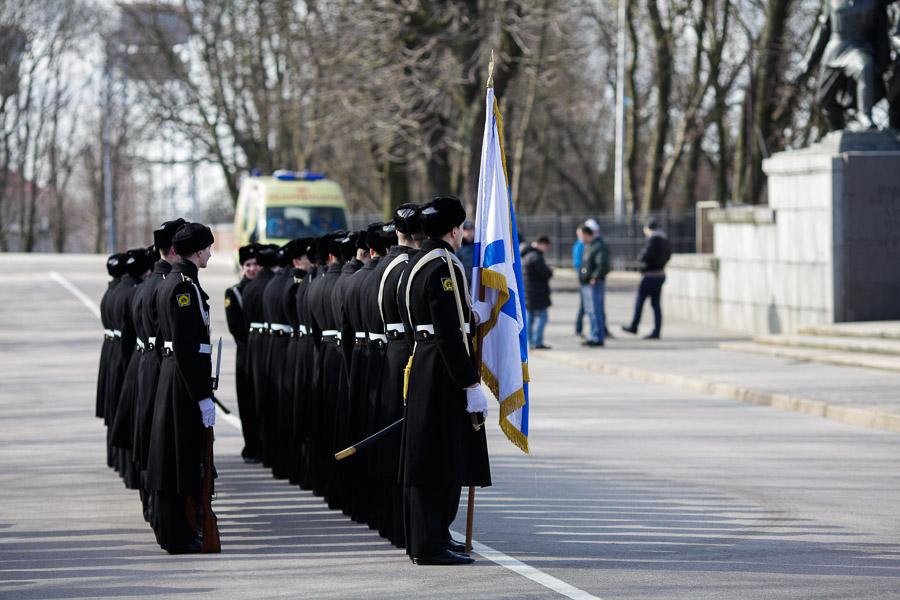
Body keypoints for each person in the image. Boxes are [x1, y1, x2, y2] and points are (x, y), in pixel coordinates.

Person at [400, 196, 491, 566]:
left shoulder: (416, 262)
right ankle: (429, 543)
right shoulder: (443, 265)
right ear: (454, 231)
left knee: (433, 454)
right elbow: (449, 332)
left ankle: (435, 535)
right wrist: (470, 383)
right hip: (441, 368)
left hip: (423, 361)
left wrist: (469, 314)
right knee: (438, 457)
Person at [146, 222, 217, 554]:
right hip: (183, 381)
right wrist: (202, 396)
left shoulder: (173, 281)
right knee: (179, 456)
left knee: (177, 454)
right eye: (208, 249)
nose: (211, 254)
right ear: (199, 250)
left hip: (175, 376)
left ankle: (177, 530)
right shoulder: (182, 286)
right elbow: (188, 348)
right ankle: (176, 533)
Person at [376, 203, 423, 549]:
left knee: (394, 445)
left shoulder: (387, 265)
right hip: (406, 353)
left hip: (389, 353)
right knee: (407, 446)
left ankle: (396, 523)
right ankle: (406, 526)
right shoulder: (408, 267)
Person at [224, 244, 259, 463]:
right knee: (247, 401)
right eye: (248, 265)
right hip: (246, 354)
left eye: (255, 264)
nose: (252, 269)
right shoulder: (234, 292)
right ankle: (251, 445)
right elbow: (235, 327)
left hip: (264, 353)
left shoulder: (267, 287)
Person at [622, 219, 672, 339]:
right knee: (656, 304)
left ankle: (634, 325)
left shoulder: (653, 239)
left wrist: (642, 259)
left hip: (650, 275)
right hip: (660, 273)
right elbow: (669, 254)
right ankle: (657, 330)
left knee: (640, 300)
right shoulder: (664, 239)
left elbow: (646, 255)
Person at [577, 225, 610, 347]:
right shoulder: (589, 246)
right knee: (590, 311)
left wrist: (595, 277)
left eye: (581, 235)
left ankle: (597, 337)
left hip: (593, 283)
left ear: (586, 234)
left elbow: (603, 263)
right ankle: (592, 335)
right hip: (586, 282)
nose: (580, 238)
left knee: (595, 311)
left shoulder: (598, 246)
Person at [522, 235, 553, 350]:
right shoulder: (536, 257)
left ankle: (529, 342)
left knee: (529, 318)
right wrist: (550, 270)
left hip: (528, 292)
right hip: (537, 293)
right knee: (542, 317)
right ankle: (537, 341)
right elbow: (544, 273)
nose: (546, 249)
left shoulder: (526, 255)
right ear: (542, 244)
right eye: (546, 246)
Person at [571, 229, 585, 338]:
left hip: (583, 274)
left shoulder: (580, 244)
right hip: (583, 275)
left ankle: (578, 327)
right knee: (584, 304)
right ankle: (578, 327)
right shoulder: (580, 245)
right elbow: (577, 262)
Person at [456, 220, 475, 284]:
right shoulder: (458, 247)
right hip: (464, 281)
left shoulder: (477, 246)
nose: (469, 233)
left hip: (476, 282)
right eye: (467, 230)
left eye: (471, 230)